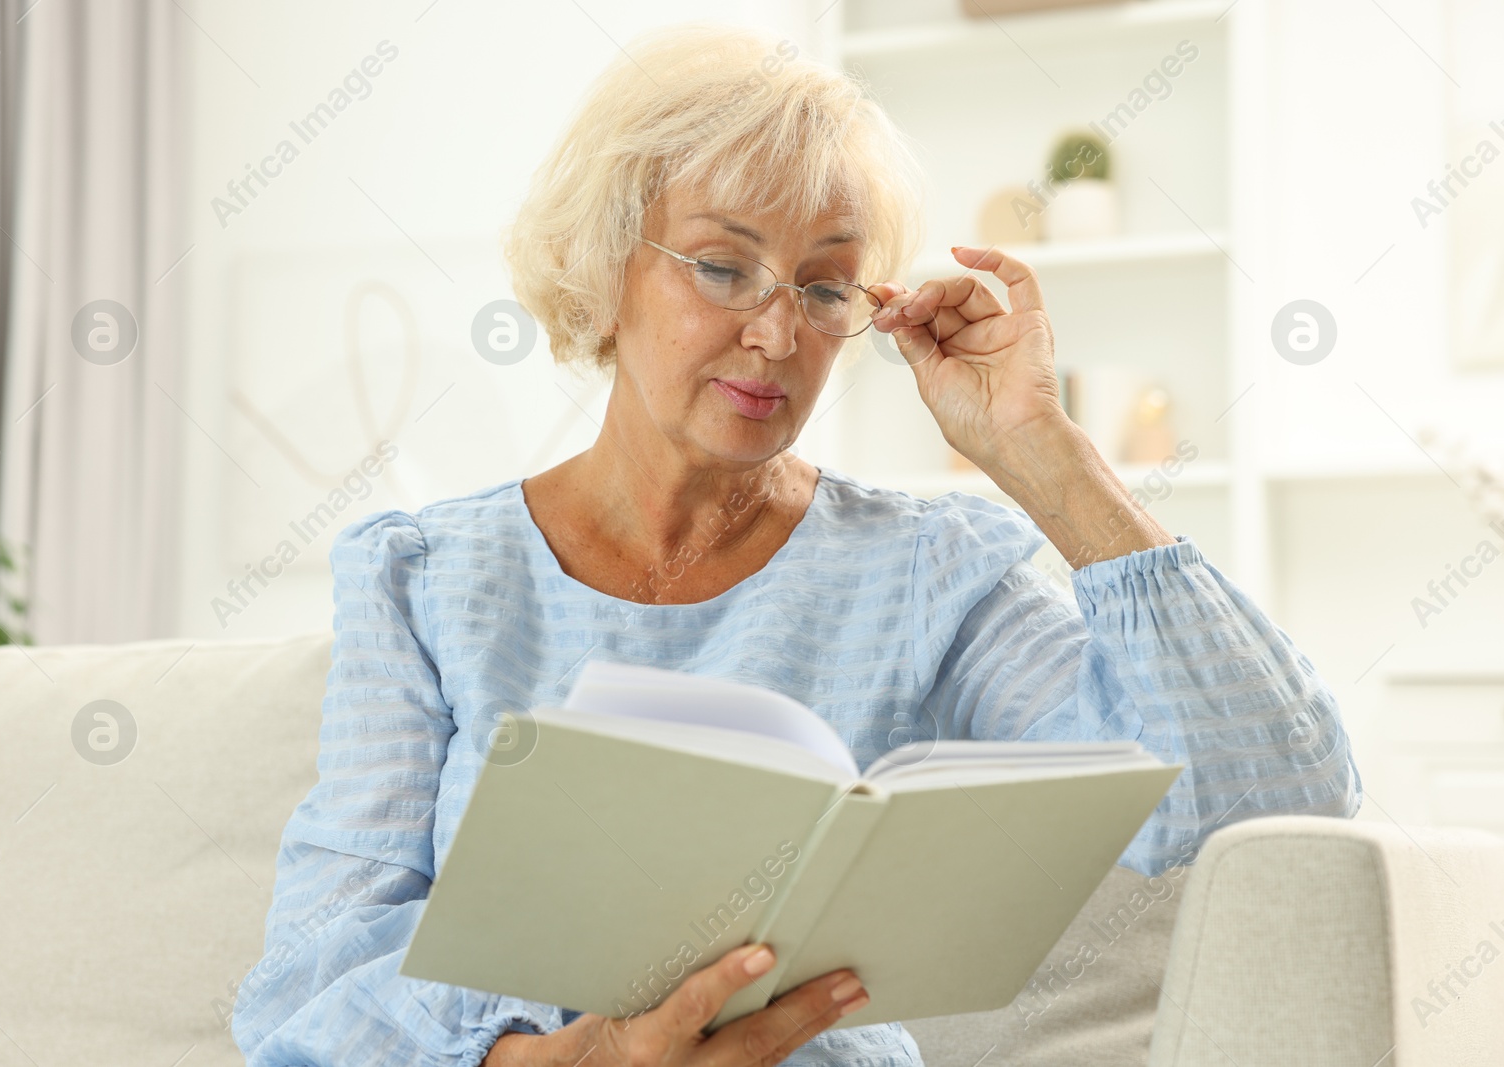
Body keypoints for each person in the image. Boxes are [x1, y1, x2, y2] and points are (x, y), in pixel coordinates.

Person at [232, 21, 1361, 1067]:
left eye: (824, 286)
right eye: (722, 267)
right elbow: (308, 984)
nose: (774, 333)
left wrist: (1040, 451)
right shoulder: (422, 577)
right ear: (605, 262)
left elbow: (1264, 794)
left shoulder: (925, 567)